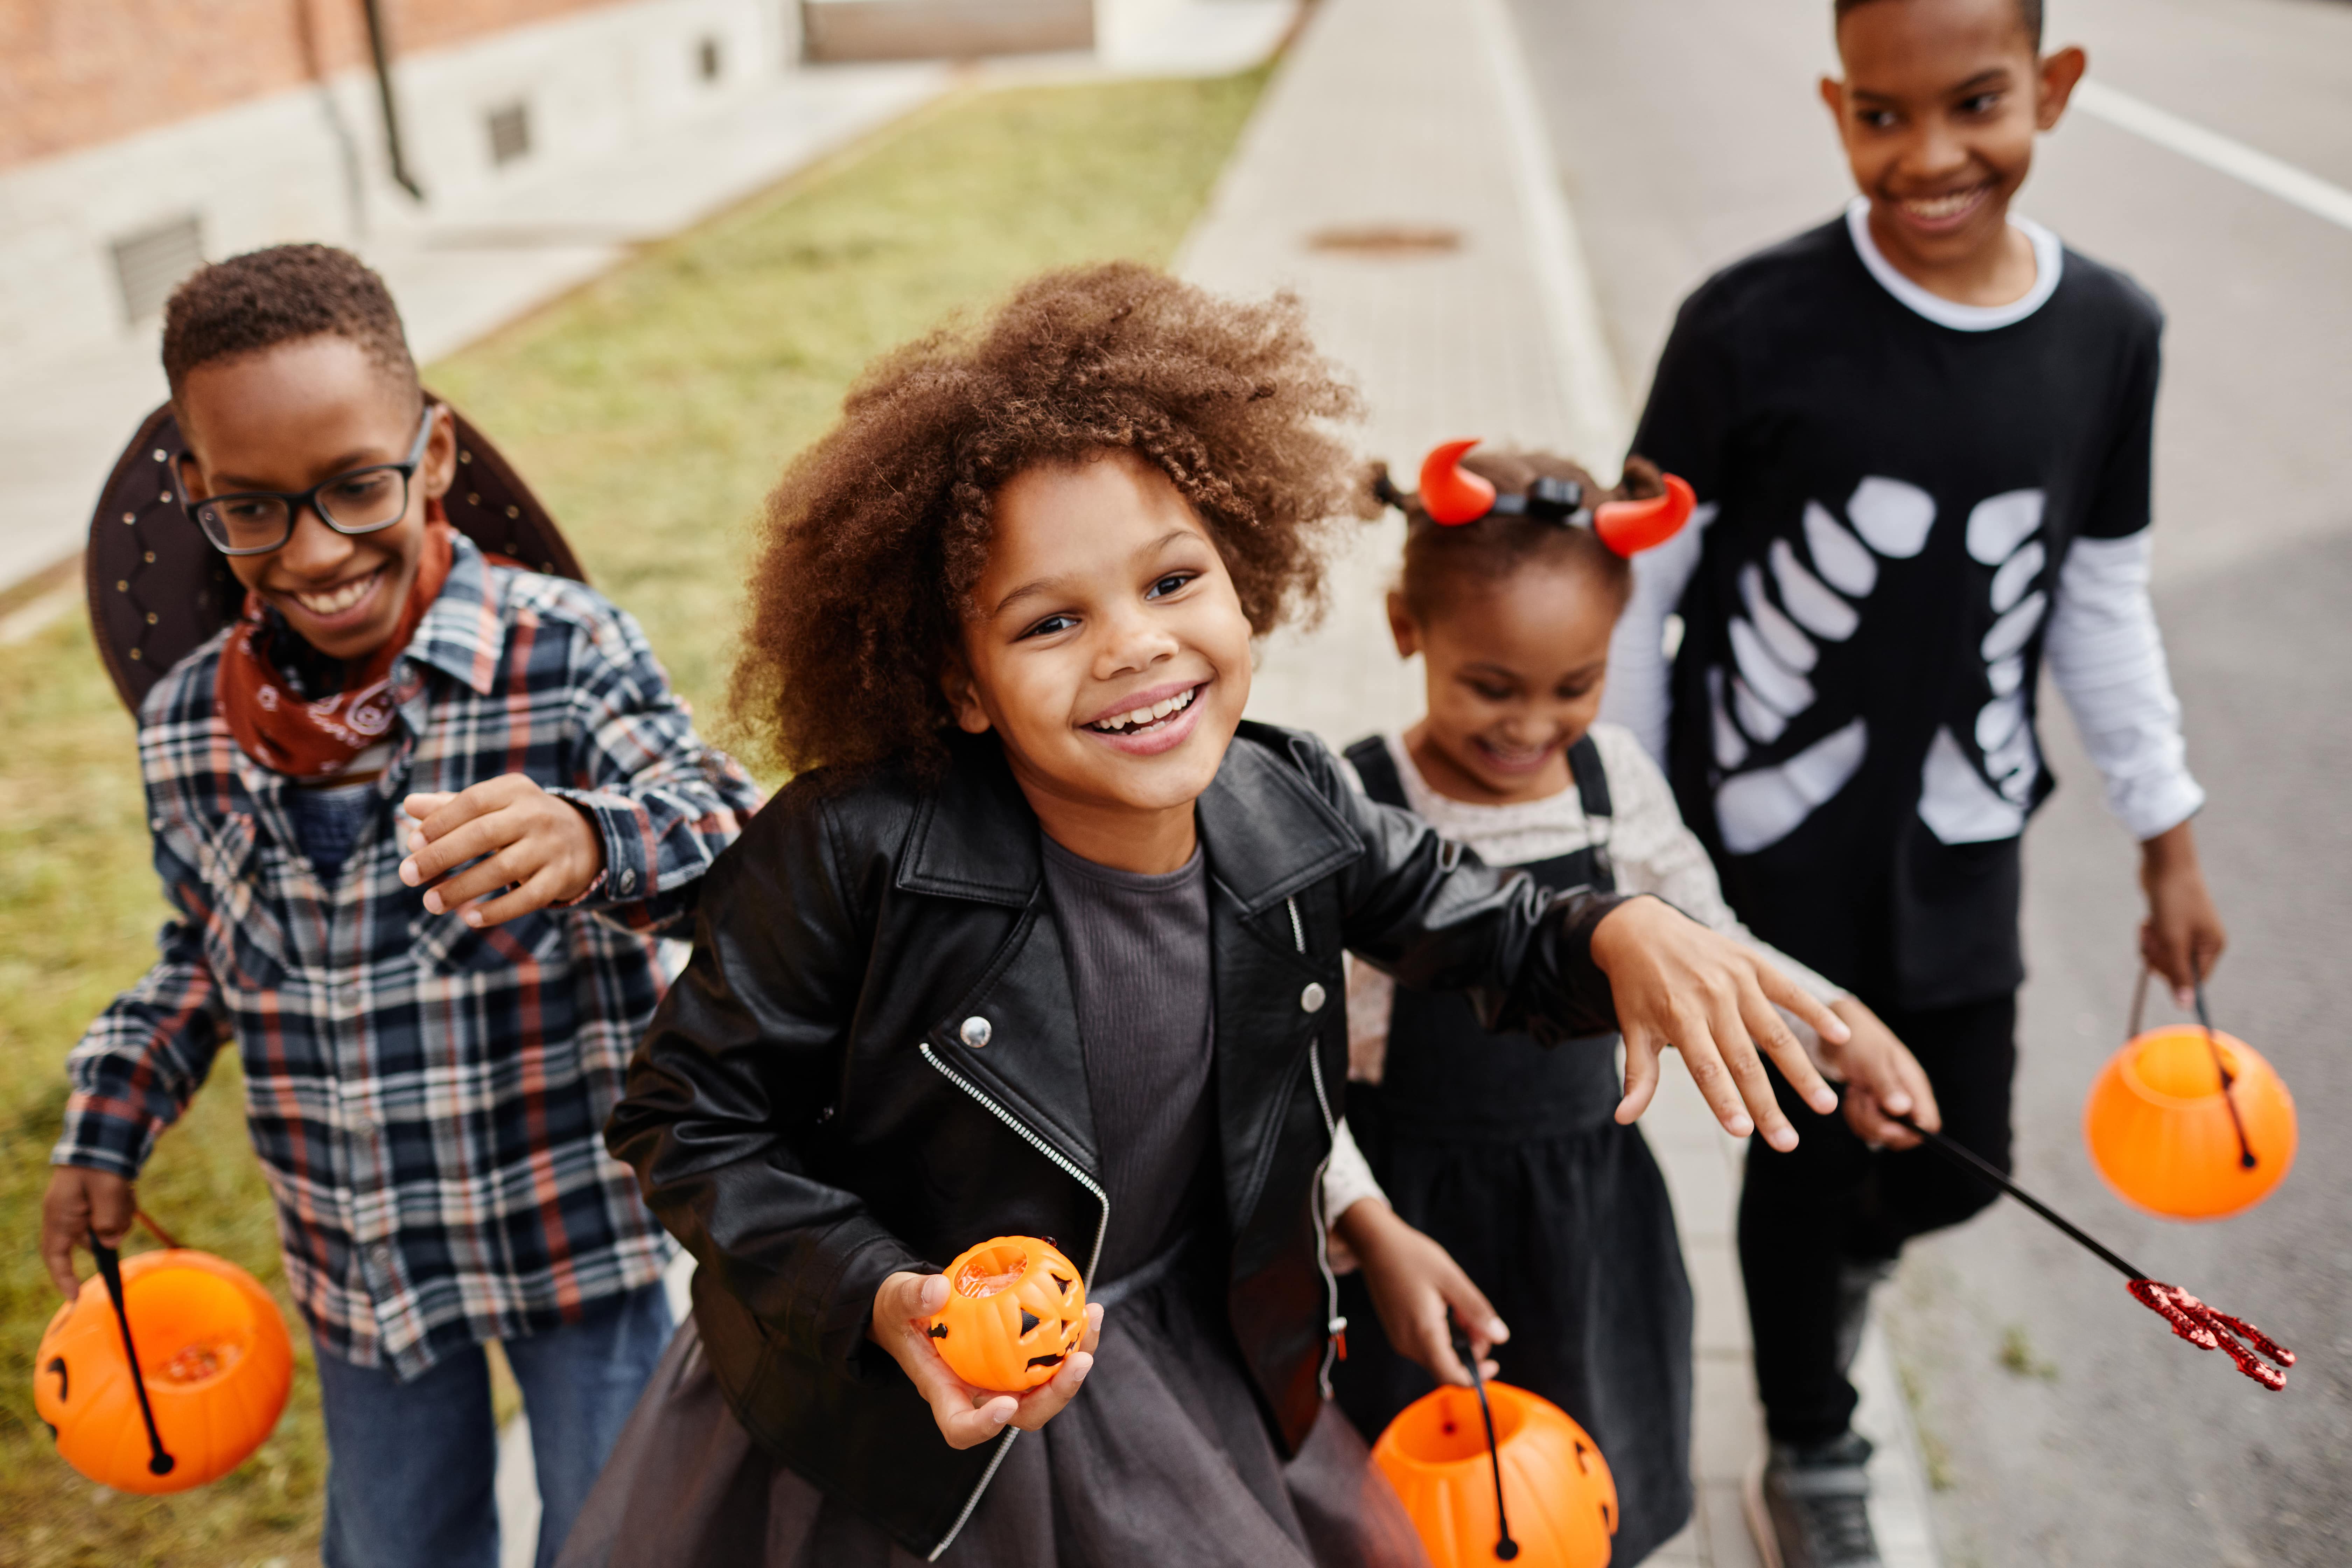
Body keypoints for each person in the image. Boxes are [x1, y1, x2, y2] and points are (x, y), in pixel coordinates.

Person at [558, 262, 1858, 1568]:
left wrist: (1616, 932)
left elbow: (1491, 926)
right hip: (893, 1428)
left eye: (1173, 582)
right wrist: (883, 1296)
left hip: (1179, 1373)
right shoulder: (856, 849)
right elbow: (691, 1118)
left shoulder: (1290, 801)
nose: (1134, 645)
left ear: (1245, 580)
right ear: (960, 682)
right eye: (1053, 619)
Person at [1605, 2, 2230, 1562]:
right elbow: (1637, 590)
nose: (1930, 155)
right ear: (1836, 106)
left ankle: (1832, 1278)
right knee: (1805, 1160)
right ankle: (1811, 1446)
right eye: (1882, 118)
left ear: (2054, 89)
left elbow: (2098, 593)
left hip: (1964, 834)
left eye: (1976, 104)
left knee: (1962, 1164)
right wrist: (1618, 837)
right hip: (1763, 840)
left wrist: (2170, 833)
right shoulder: (1745, 324)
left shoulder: (2114, 333)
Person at [37, 244, 763, 1568]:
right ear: (195, 494)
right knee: (390, 1549)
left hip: (570, 1236)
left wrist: (594, 839)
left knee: (621, 1541)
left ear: (431, 457)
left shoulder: (562, 652)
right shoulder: (190, 728)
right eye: (251, 508)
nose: (314, 552)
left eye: (354, 487)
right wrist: (106, 1125)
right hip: (355, 1250)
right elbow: (203, 959)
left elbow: (741, 837)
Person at [1325, 445, 1936, 1566]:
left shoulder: (1617, 785)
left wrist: (1847, 1034)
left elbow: (1718, 948)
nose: (1530, 726)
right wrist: (1353, 1218)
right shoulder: (1359, 802)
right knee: (1417, 1493)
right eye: (1491, 687)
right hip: (1412, 1211)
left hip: (1586, 1209)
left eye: (1576, 686)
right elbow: (1301, 1050)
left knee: (1584, 1471)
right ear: (1408, 625)